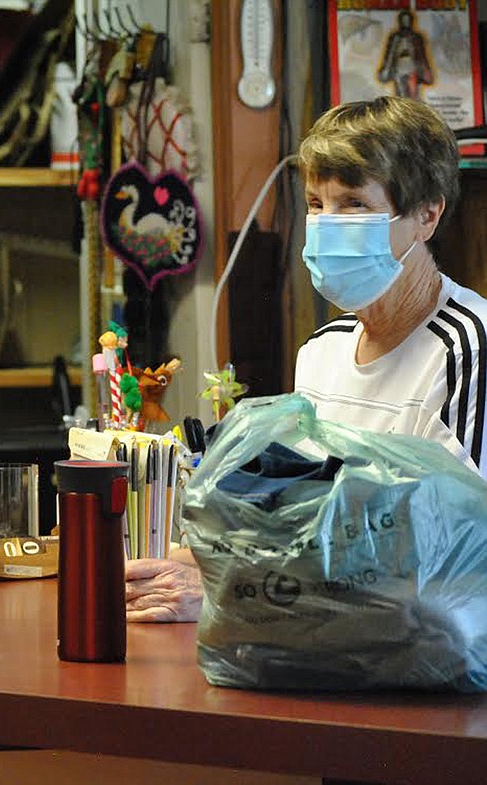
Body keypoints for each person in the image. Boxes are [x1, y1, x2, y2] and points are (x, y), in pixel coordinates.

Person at [124, 95, 487, 623]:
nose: (325, 224)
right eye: (316, 204)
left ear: (427, 215)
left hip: (430, 658)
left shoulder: (470, 347)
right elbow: (304, 524)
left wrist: (237, 587)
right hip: (331, 638)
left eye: (354, 204)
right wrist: (198, 560)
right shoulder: (322, 352)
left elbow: (450, 554)